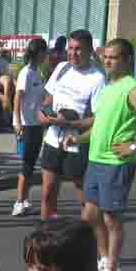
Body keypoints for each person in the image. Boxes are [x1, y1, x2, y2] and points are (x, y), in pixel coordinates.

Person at [65, 38, 136, 271]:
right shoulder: (109, 87)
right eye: (106, 57)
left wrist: (134, 146)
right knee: (90, 215)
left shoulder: (132, 88)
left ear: (127, 60)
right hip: (96, 160)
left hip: (115, 163)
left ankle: (110, 268)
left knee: (111, 218)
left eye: (113, 57)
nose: (107, 61)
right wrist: (78, 138)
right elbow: (99, 126)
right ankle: (104, 257)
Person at [39, 29, 106, 220]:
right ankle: (45, 230)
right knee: (47, 192)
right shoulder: (62, 68)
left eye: (78, 49)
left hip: (78, 142)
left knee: (85, 197)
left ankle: (88, 232)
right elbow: (49, 97)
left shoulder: (97, 78)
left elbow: (98, 119)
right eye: (70, 48)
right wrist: (42, 112)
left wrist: (69, 122)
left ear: (89, 50)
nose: (73, 53)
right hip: (53, 138)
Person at [13, 38, 48, 216]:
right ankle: (18, 202)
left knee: (32, 163)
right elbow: (17, 98)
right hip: (26, 125)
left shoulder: (37, 73)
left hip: (37, 124)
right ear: (38, 52)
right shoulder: (25, 73)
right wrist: (17, 122)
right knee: (26, 164)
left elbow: (41, 98)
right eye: (44, 52)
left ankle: (25, 199)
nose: (46, 55)